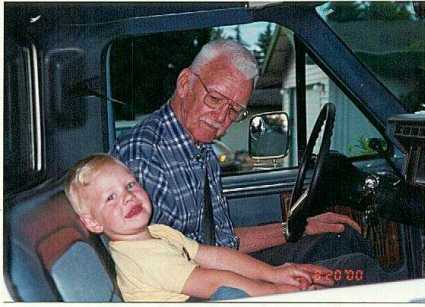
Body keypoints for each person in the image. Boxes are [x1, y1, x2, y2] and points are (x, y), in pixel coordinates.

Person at [110, 39, 388, 273]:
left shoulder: (199, 147)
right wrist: (270, 280)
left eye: (234, 110)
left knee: (341, 239)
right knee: (358, 269)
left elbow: (222, 242)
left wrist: (299, 228)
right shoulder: (145, 157)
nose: (221, 117)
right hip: (200, 288)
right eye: (215, 99)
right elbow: (164, 275)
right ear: (185, 83)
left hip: (216, 269)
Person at [64, 153, 337, 302]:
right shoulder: (142, 257)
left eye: (130, 185)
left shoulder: (158, 233)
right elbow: (213, 280)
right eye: (110, 198)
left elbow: (217, 256)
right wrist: (277, 292)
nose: (127, 197)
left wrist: (274, 274)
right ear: (93, 222)